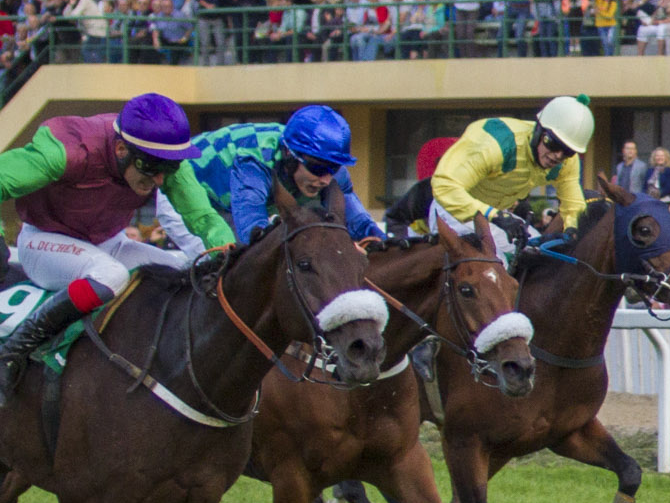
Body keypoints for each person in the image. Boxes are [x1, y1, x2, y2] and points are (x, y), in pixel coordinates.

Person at [0, 94, 238, 395]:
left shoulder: (163, 164)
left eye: (170, 168)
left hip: (108, 242)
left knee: (190, 272)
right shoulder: (67, 150)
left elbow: (203, 217)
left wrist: (229, 251)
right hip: (44, 242)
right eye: (151, 167)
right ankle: (13, 351)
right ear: (121, 148)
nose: (161, 179)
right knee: (110, 275)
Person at [166, 105, 383, 253]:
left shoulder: (329, 169)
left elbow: (361, 224)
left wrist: (387, 246)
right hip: (184, 194)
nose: (326, 179)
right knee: (236, 266)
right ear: (290, 155)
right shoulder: (255, 162)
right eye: (318, 168)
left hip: (234, 206)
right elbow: (253, 232)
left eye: (333, 168)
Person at [430, 94, 591, 240]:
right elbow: (445, 186)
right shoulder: (495, 145)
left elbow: (573, 204)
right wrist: (494, 215)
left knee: (539, 254)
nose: (558, 156)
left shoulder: (566, 162)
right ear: (538, 130)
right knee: (494, 264)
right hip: (450, 211)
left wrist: (571, 229)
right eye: (553, 144)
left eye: (568, 151)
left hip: (495, 216)